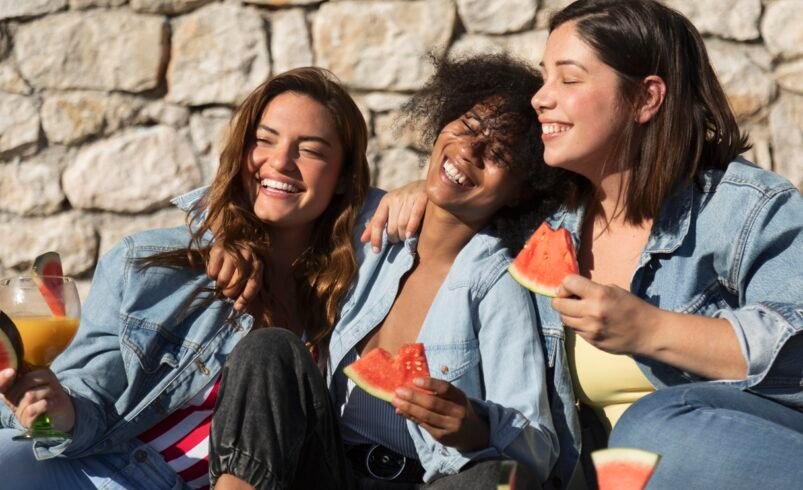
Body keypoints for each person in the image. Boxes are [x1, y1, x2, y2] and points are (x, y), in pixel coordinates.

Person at [368, 1, 803, 488]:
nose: (540, 98)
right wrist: (421, 193)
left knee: (651, 429)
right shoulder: (549, 227)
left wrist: (649, 329)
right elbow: (471, 190)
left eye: (568, 79)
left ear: (645, 99)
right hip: (608, 478)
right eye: (543, 76)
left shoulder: (745, 209)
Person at [207, 54, 577, 489]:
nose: (468, 150)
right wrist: (227, 239)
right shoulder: (370, 229)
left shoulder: (495, 285)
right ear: (441, 123)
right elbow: (272, 195)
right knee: (268, 350)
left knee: (493, 479)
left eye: (498, 153)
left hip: (423, 480)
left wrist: (475, 426)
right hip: (324, 470)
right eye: (467, 126)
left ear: (521, 190)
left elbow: (538, 446)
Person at [0, 66, 371, 489]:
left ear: (344, 176)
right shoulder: (151, 262)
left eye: (311, 150)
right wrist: (62, 411)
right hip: (118, 473)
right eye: (264, 140)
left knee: (271, 349)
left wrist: (412, 198)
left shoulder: (365, 286)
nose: (281, 161)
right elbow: (92, 393)